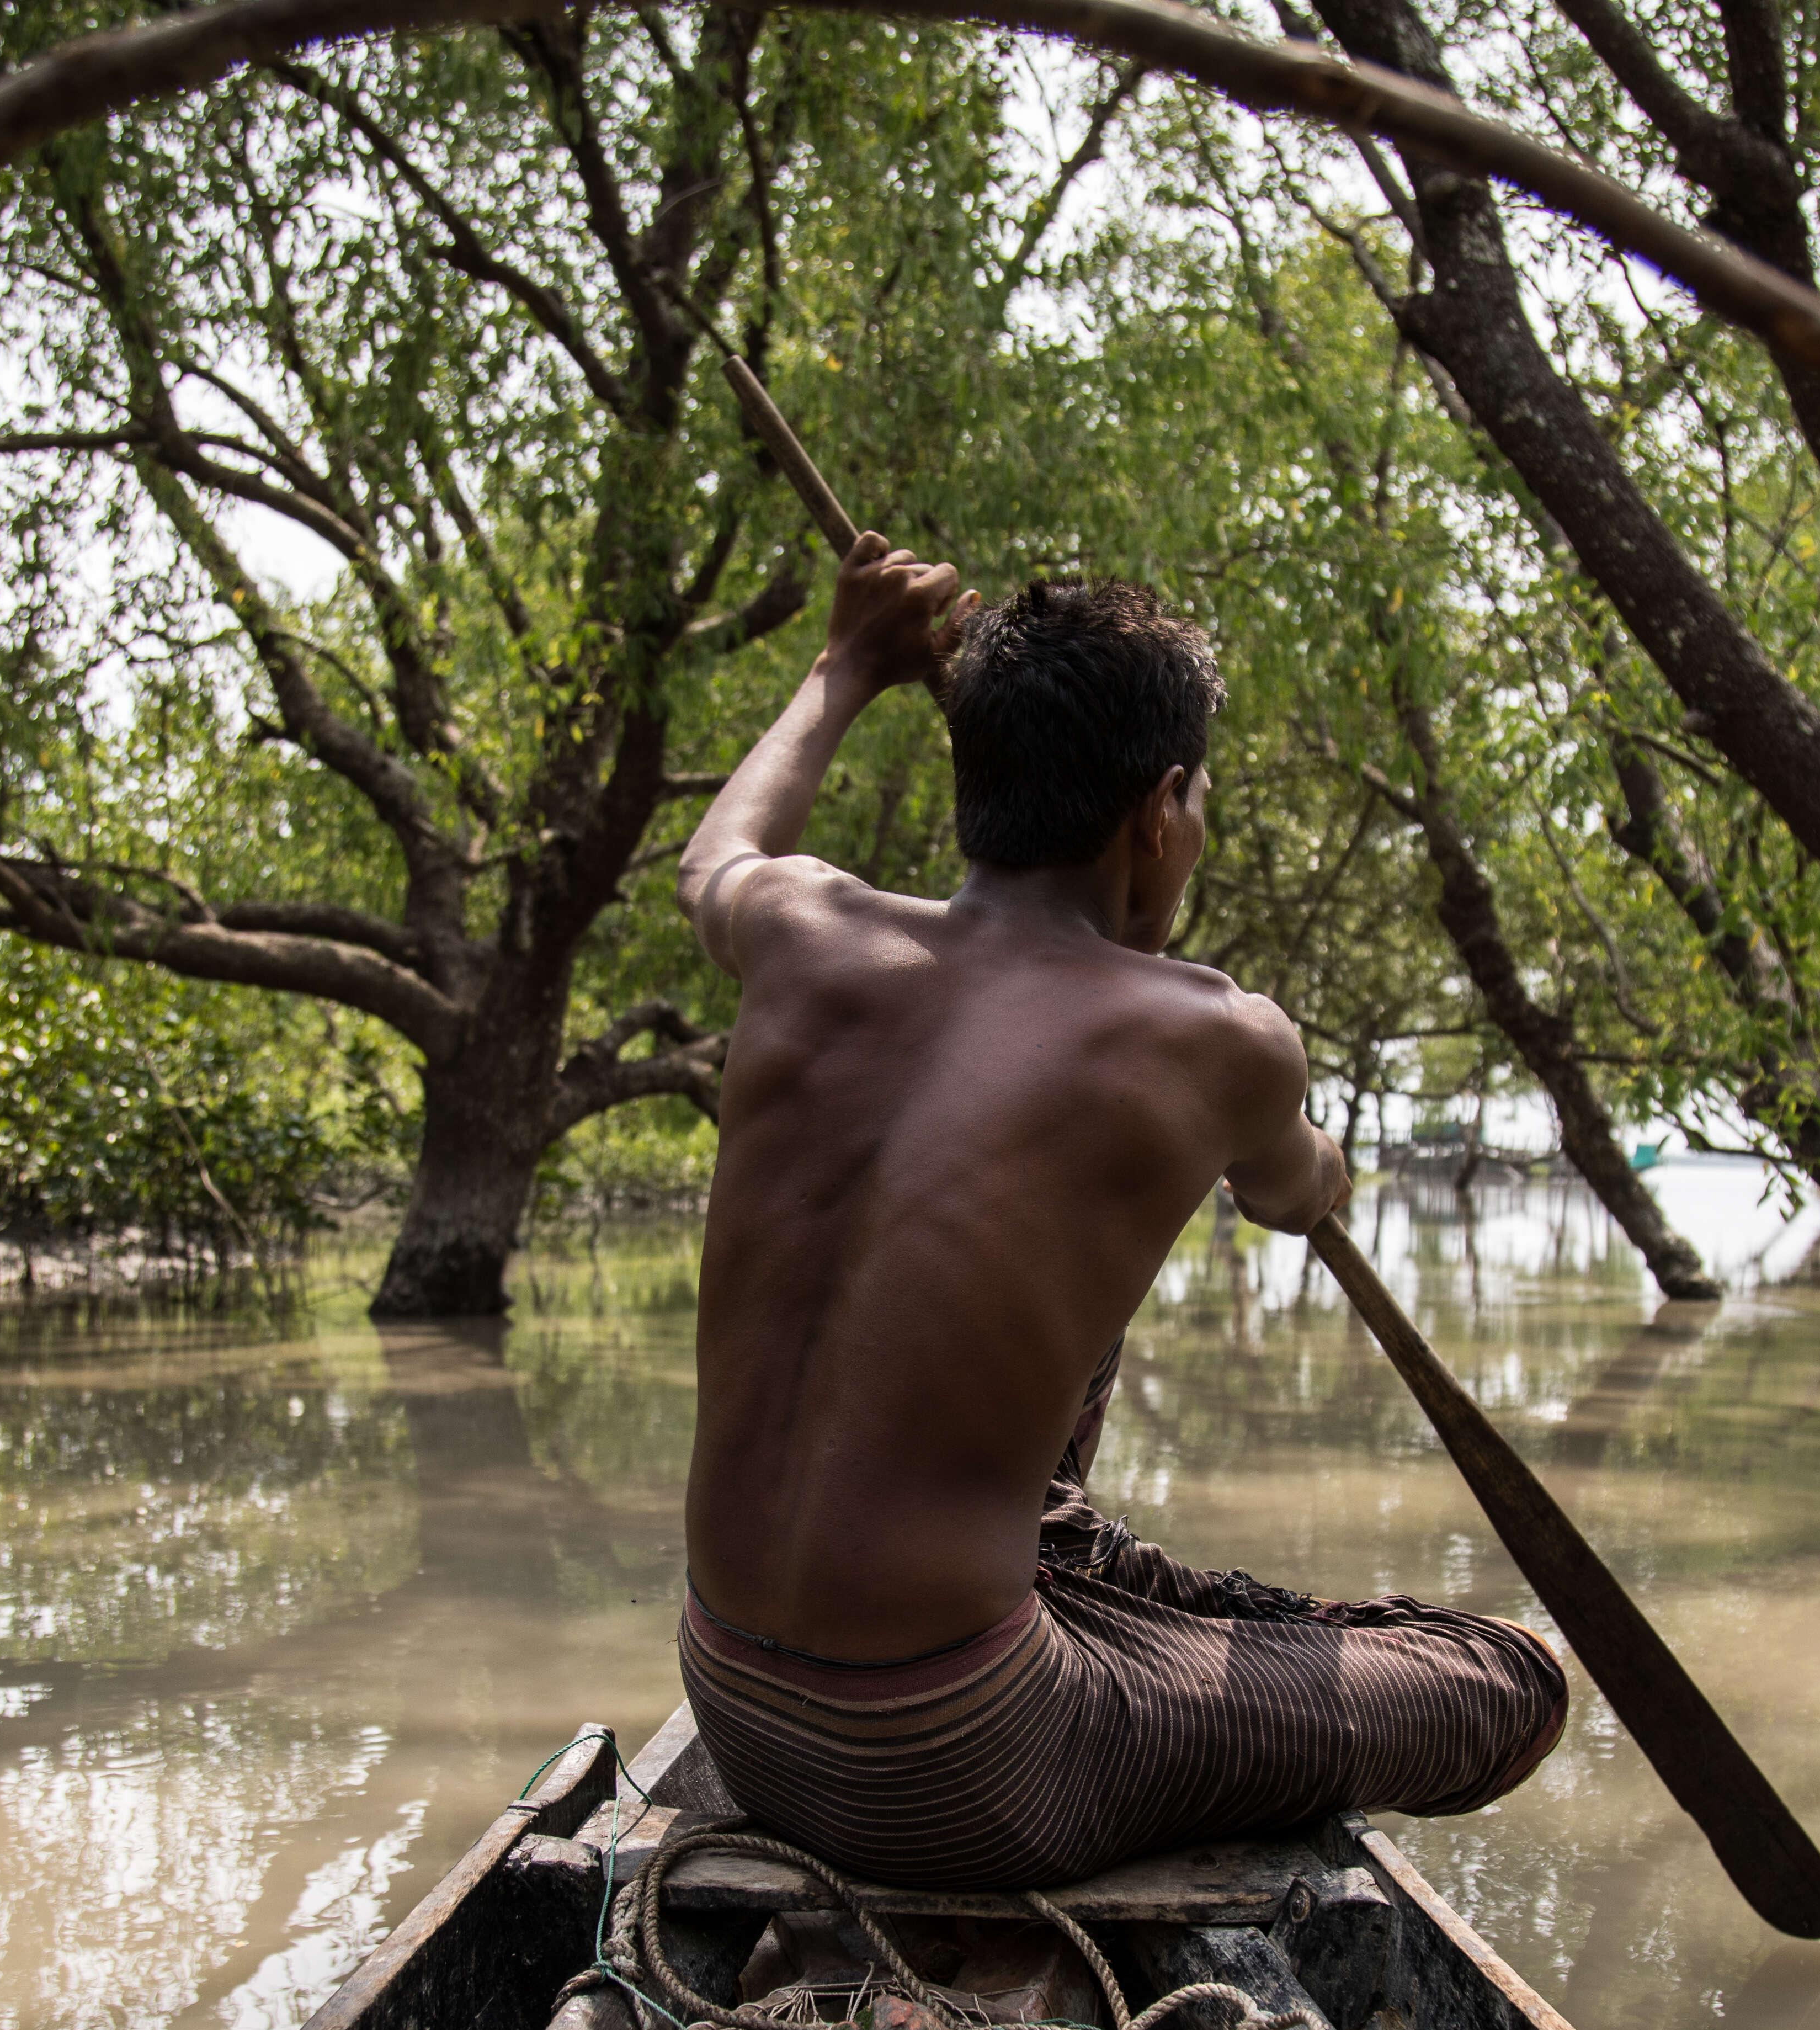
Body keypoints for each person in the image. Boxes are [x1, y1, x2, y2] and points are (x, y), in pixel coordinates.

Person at [669, 534, 1566, 1889]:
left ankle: (1085, 1590)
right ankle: (1138, 1649)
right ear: (1159, 811)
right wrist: (1315, 1159)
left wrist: (845, 666)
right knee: (1503, 1678)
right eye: (1198, 801)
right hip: (961, 1757)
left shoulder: (799, 927)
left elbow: (714, 853)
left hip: (732, 1698)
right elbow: (1295, 1189)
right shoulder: (1218, 1039)